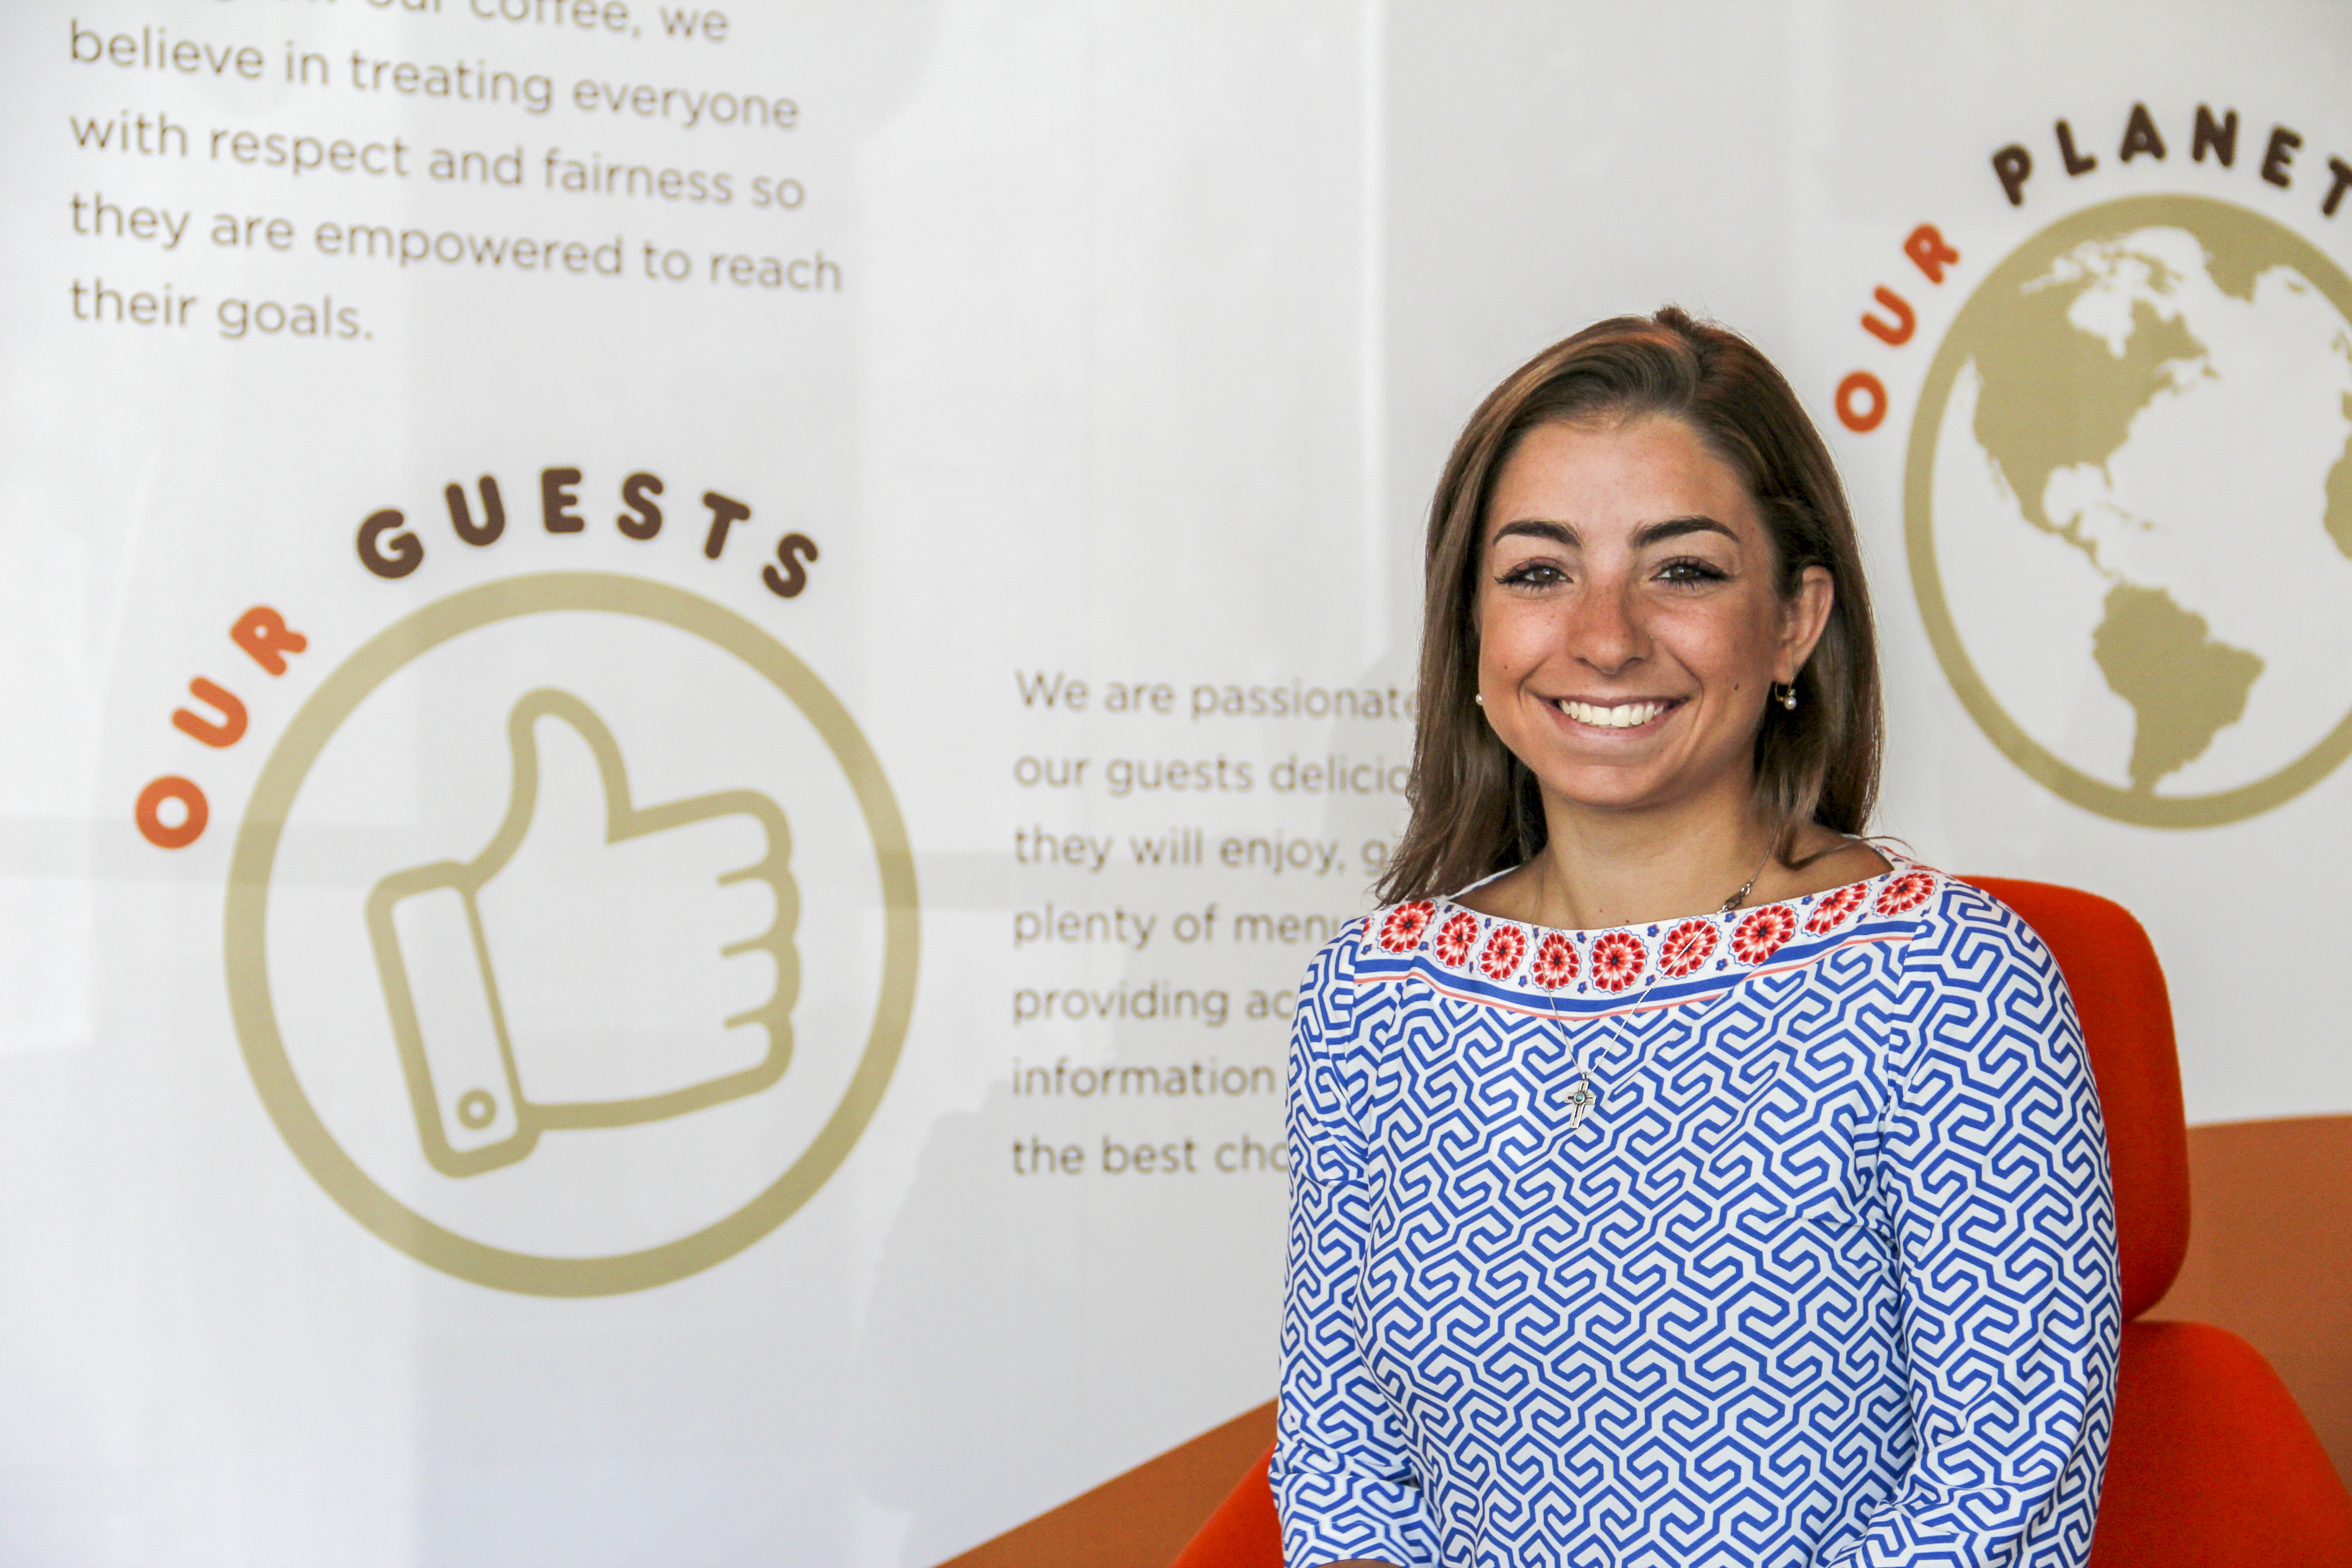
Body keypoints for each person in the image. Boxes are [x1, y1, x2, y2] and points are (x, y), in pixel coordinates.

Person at [1274, 309, 2118, 1566]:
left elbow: (2004, 1490)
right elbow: (1343, 1468)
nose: (1605, 636)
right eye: (1538, 571)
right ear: (1470, 628)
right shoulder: (1372, 1000)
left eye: (1682, 569)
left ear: (1793, 620)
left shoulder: (1947, 981)